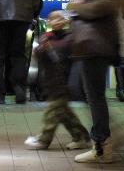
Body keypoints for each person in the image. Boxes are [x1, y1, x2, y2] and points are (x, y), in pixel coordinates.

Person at [68, 0, 123, 164]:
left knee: (95, 95)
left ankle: (102, 145)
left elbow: (105, 4)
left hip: (96, 43)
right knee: (83, 90)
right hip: (90, 43)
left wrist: (77, 7)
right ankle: (101, 138)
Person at [24, 11, 91, 150]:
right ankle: (81, 136)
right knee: (64, 112)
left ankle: (44, 140)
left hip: (64, 80)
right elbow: (37, 55)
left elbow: (66, 58)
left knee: (53, 111)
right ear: (49, 22)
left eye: (59, 18)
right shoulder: (45, 37)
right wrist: (43, 48)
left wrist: (50, 50)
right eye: (53, 19)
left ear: (65, 21)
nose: (56, 21)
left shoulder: (70, 38)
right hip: (50, 80)